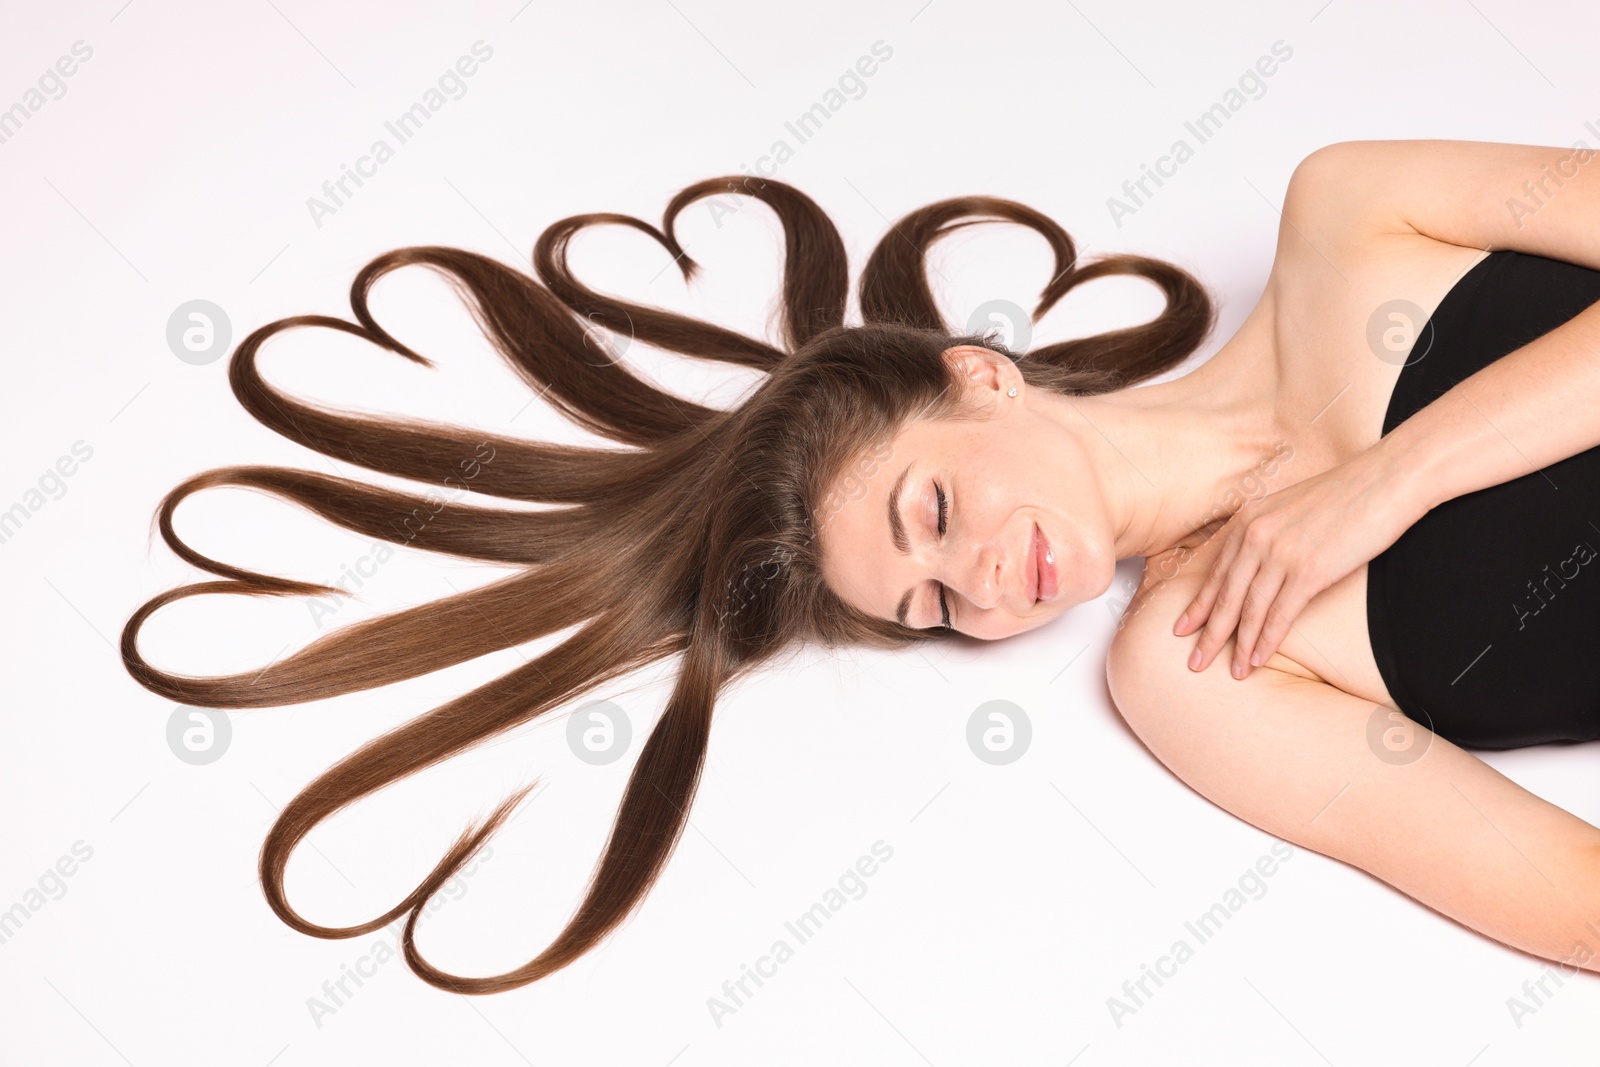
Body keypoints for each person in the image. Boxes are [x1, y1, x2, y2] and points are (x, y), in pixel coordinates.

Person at [121, 140, 1600, 993]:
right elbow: (1564, 898)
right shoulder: (1200, 670)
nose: (981, 583)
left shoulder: (1348, 211)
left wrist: (1387, 483)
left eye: (933, 511)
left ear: (982, 377)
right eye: (935, 605)